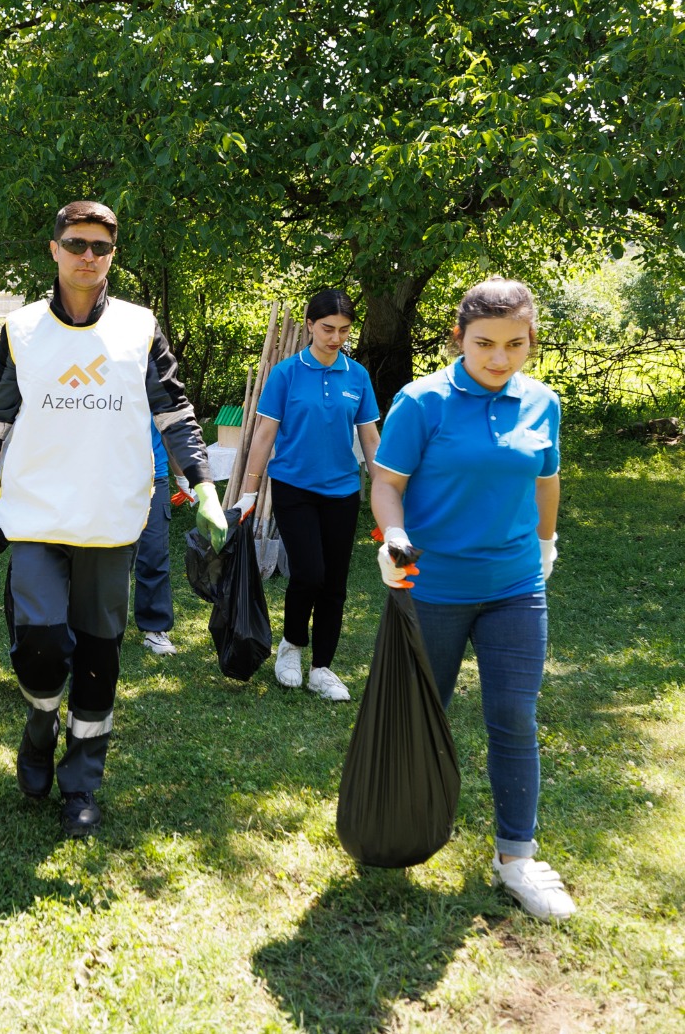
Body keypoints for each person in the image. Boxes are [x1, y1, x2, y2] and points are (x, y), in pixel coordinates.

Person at [0, 201, 228, 837]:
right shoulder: (21, 329)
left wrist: (202, 485)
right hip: (37, 518)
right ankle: (40, 724)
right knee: (40, 646)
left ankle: (82, 782)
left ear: (113, 254)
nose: (87, 256)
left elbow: (172, 411)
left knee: (99, 657)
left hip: (111, 519)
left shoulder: (139, 326)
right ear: (54, 249)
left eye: (100, 246)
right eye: (76, 244)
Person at [371, 276, 572, 921]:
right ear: (459, 338)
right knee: (419, 713)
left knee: (514, 716)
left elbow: (546, 482)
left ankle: (517, 857)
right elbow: (387, 483)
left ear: (530, 343)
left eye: (515, 345)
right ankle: (399, 830)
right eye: (484, 343)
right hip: (433, 590)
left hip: (516, 587)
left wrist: (545, 545)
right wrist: (394, 535)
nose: (499, 358)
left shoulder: (543, 403)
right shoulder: (421, 401)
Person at [236, 289, 381, 701]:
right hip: (294, 488)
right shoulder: (286, 374)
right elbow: (264, 435)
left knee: (335, 583)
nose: (336, 338)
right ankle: (291, 647)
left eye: (344, 330)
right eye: (328, 329)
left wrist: (386, 489)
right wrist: (248, 493)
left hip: (342, 491)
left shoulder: (357, 376)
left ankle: (322, 668)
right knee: (309, 573)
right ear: (310, 325)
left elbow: (369, 438)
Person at [132, 428, 177, 655]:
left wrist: (182, 476)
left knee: (154, 554)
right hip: (106, 476)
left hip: (154, 476)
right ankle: (92, 626)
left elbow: (171, 429)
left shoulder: (158, 390)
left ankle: (155, 628)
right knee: (99, 555)